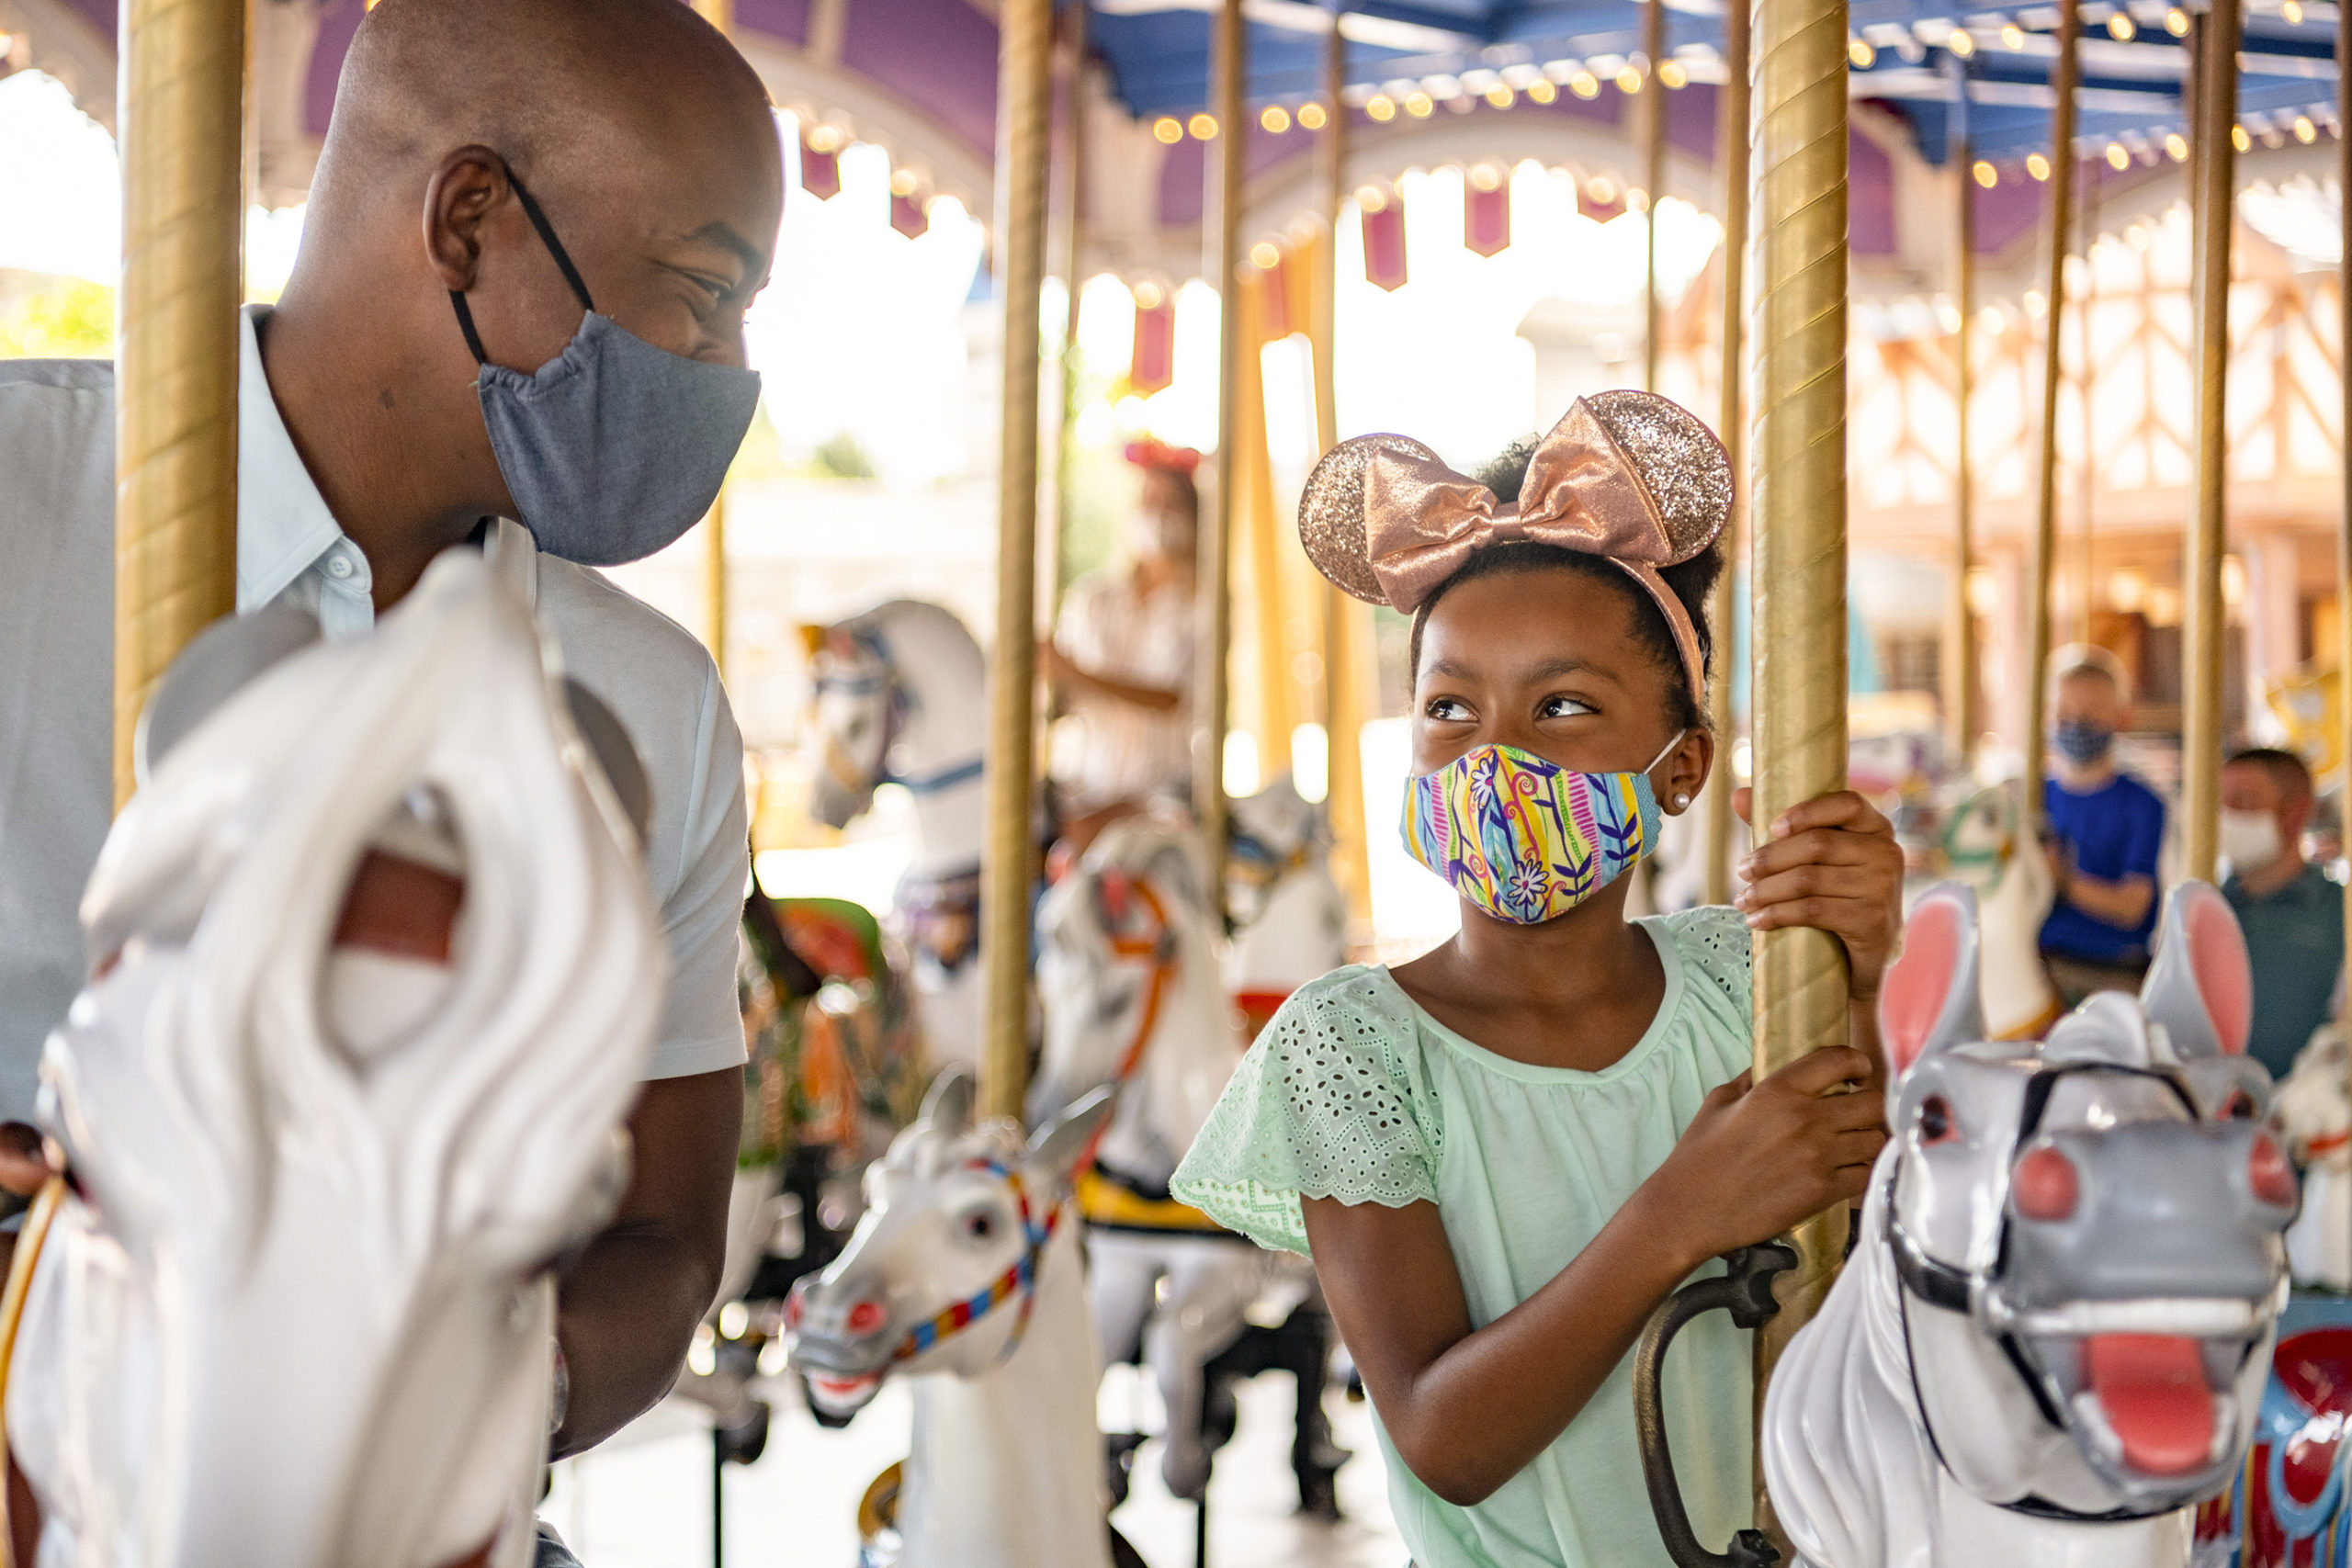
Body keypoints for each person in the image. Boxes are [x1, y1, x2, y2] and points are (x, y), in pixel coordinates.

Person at [0, 0, 779, 1547]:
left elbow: (665, 1238)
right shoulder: (24, 513)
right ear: (468, 218)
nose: (728, 369)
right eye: (704, 291)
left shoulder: (649, 704)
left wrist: (440, 1403)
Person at [1170, 394, 1903, 1567]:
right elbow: (1441, 1435)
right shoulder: (1353, 1043)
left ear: (1682, 769)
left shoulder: (1747, 977)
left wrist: (1861, 976)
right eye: (1450, 707)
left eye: (1561, 707)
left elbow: (1879, 1272)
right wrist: (1680, 1216)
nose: (1495, 756)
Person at [1041, 442, 1199, 840]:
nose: (1158, 513)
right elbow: (1062, 696)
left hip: (1161, 788)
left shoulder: (1202, 604)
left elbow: (1173, 698)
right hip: (1088, 779)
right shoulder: (1092, 598)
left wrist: (1075, 673)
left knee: (1083, 833)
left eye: (1171, 503)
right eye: (1149, 499)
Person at [2039, 649, 2165, 1001]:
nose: (2076, 723)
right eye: (2065, 714)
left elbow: (2132, 907)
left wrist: (2064, 881)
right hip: (2041, 963)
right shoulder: (2033, 798)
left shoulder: (2142, 805)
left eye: (2090, 714)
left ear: (2121, 718)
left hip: (2110, 973)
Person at [2221, 747, 2345, 1077]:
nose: (2227, 815)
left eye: (2244, 801)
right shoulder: (2207, 908)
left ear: (2295, 812)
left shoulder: (2339, 912)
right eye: (2220, 802)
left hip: (2305, 1110)